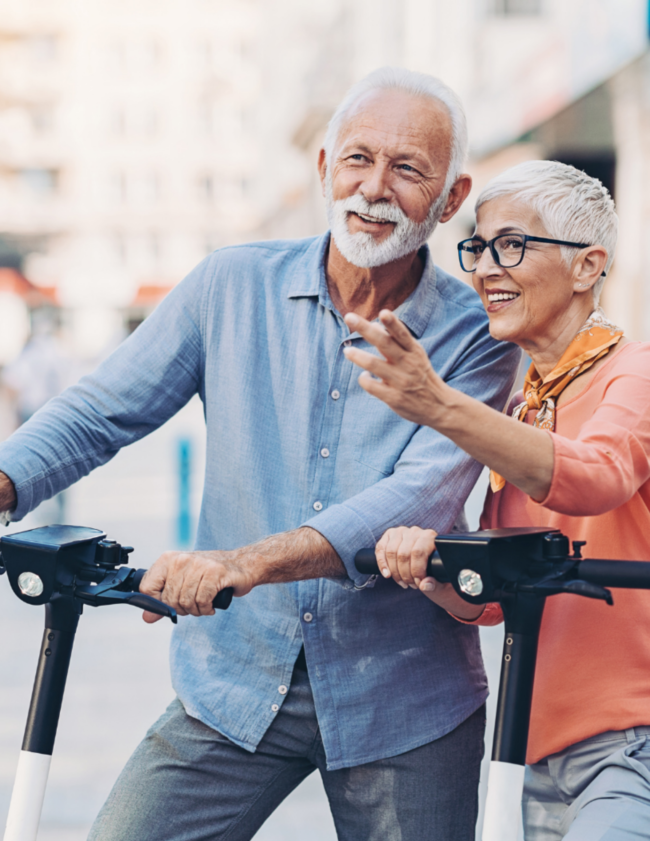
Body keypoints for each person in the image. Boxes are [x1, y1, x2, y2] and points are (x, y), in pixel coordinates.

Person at [0, 68, 519, 841]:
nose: (375, 188)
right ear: (322, 168)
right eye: (357, 159)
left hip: (405, 701)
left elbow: (418, 498)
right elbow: (100, 408)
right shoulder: (229, 284)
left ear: (450, 197)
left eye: (409, 169)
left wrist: (245, 563)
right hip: (234, 681)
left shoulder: (478, 336)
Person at [343, 159, 650, 840]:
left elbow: (597, 476)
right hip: (533, 750)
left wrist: (442, 405)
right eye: (477, 247)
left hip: (633, 744)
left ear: (586, 265)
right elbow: (492, 598)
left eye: (511, 244)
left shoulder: (637, 371)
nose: (484, 269)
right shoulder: (522, 408)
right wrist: (431, 563)